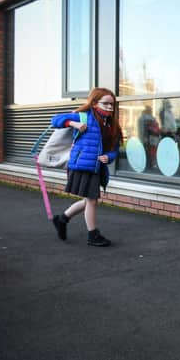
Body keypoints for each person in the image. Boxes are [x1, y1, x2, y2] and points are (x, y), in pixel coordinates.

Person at [50, 88, 122, 247]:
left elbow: (114, 150)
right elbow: (55, 119)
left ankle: (61, 219)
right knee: (91, 200)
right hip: (83, 165)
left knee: (89, 200)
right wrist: (73, 123)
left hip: (97, 166)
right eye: (106, 104)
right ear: (95, 103)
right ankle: (93, 235)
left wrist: (108, 157)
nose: (110, 107)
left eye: (112, 104)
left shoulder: (112, 125)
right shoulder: (84, 116)